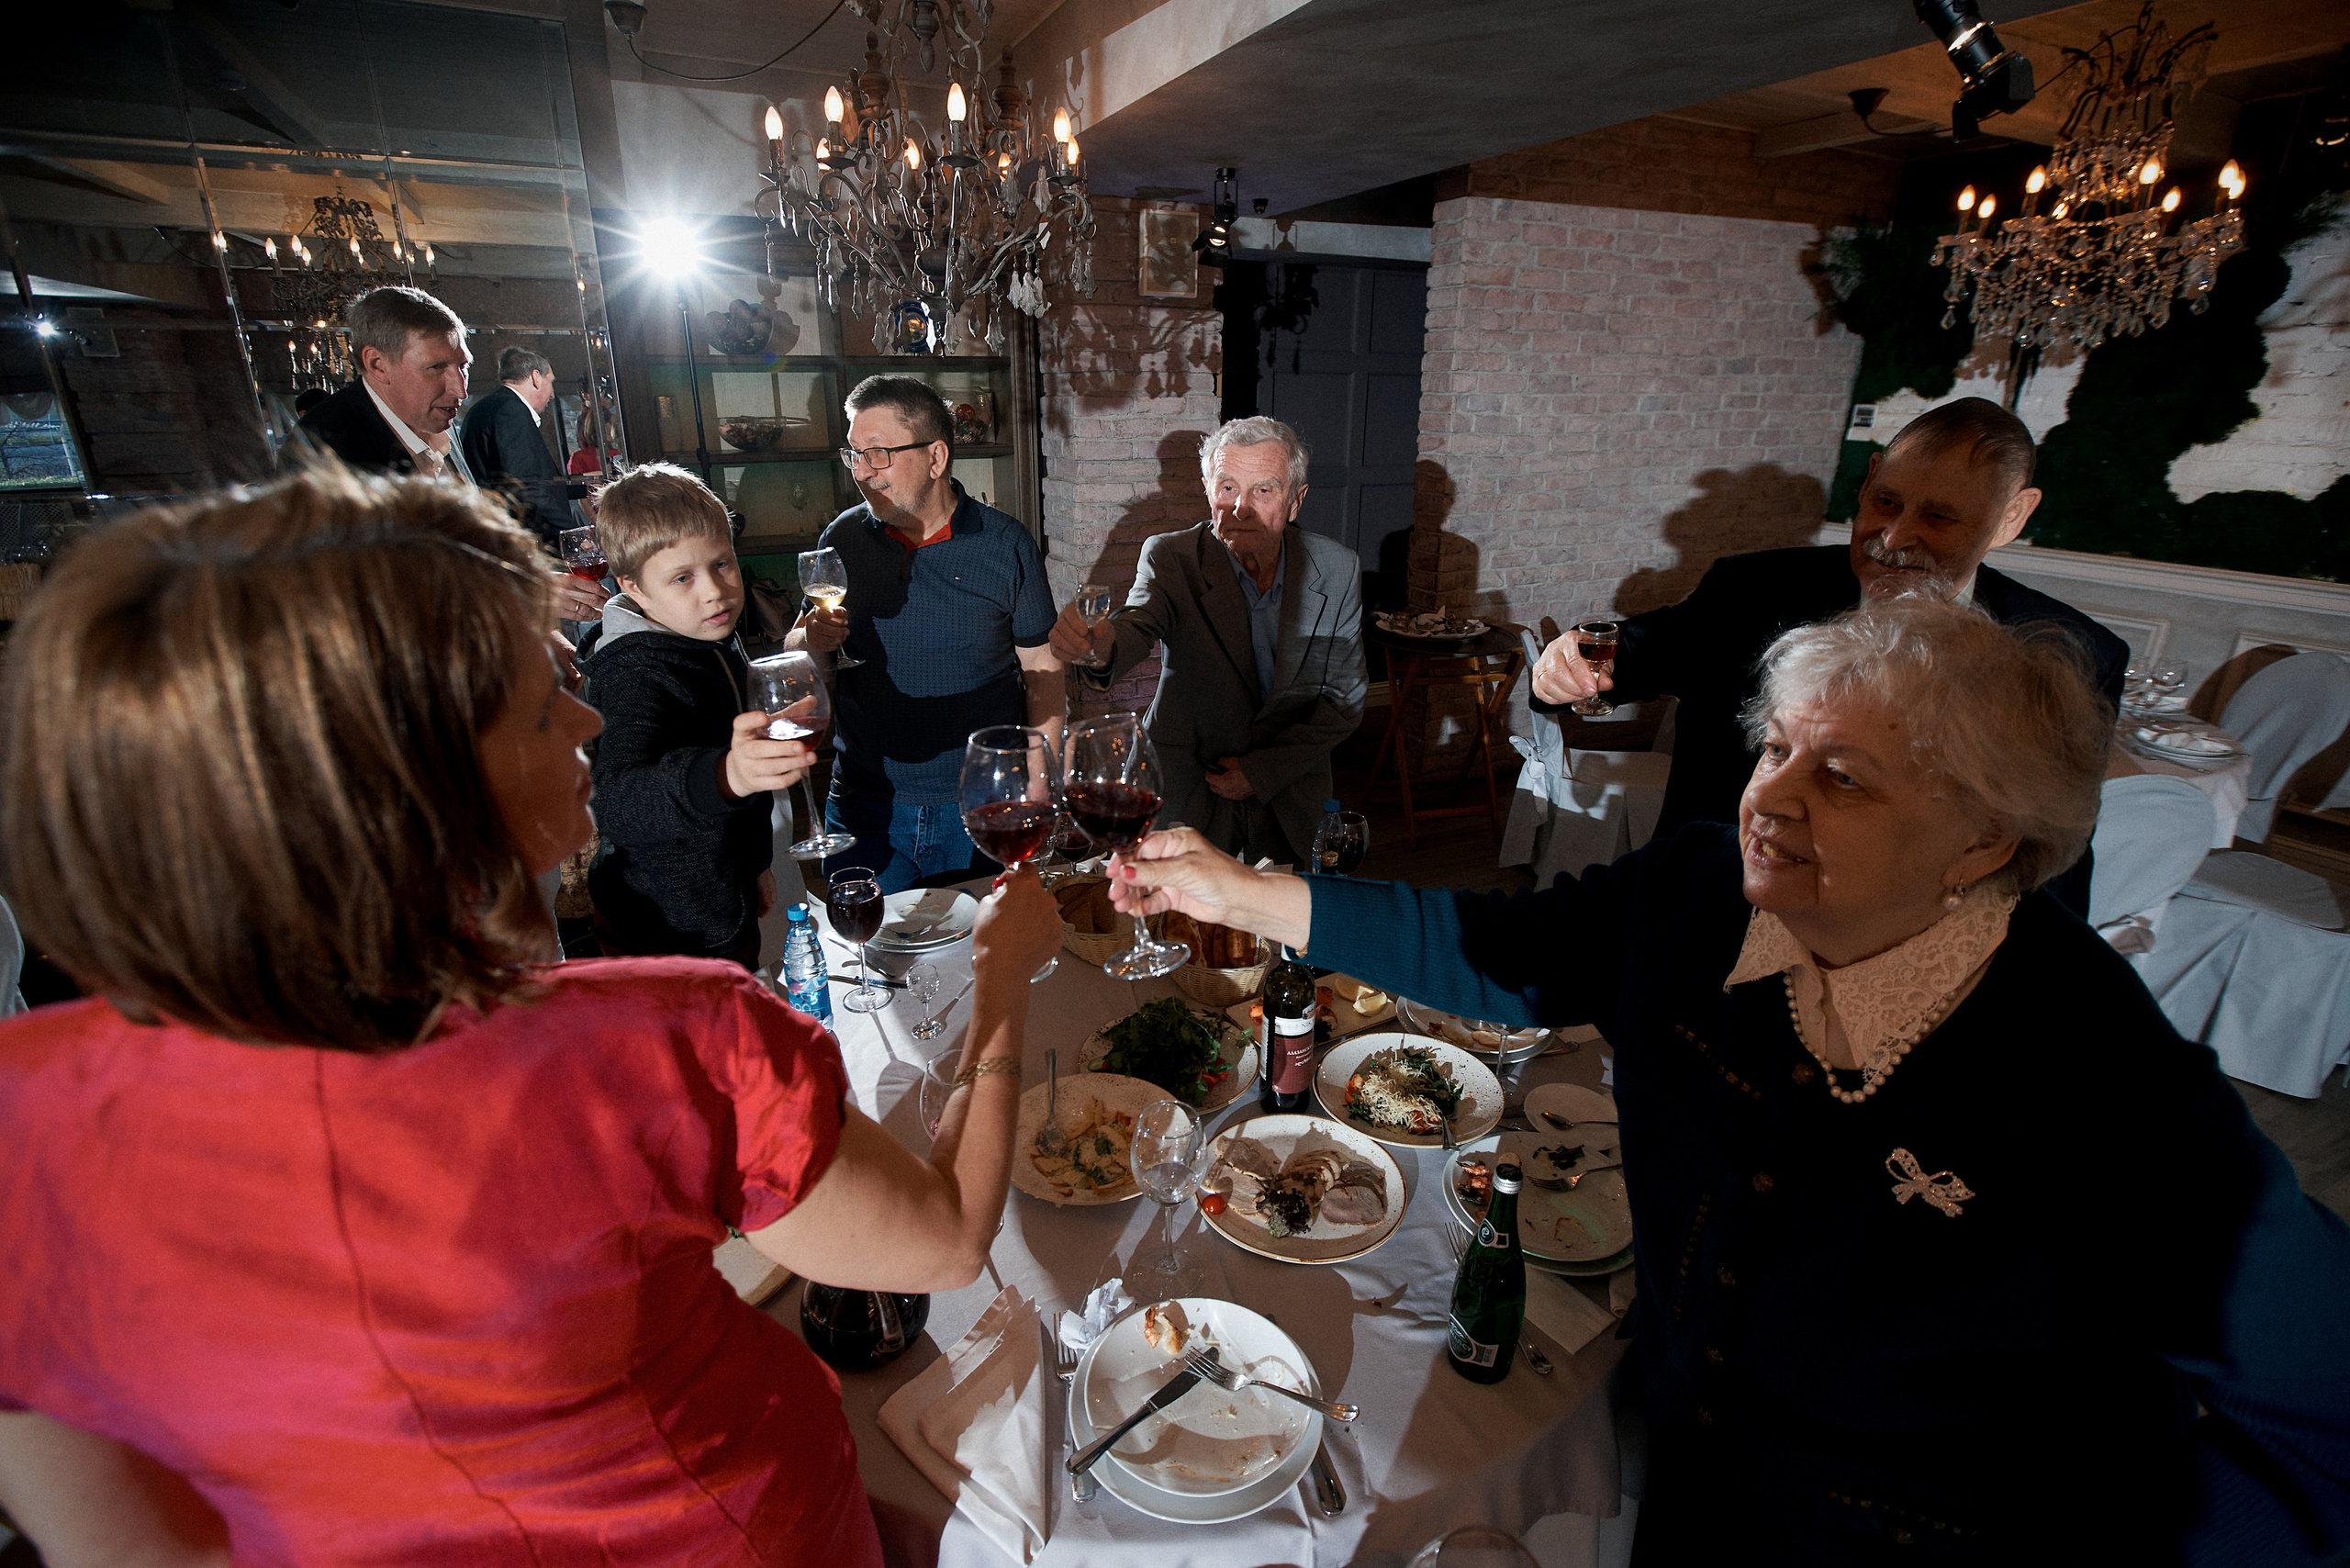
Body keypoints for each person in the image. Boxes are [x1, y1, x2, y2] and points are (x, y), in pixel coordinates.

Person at [1110, 597, 2350, 1566]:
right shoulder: (1701, 894)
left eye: (1842, 778)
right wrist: (1240, 892)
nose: (1771, 799)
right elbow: (1498, 949)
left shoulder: (2101, 1081)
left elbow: (2326, 1418)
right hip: (1703, 1498)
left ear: (1983, 839)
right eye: (1777, 749)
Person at [0, 465, 1061, 1564]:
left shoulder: (24, 1109)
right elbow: (943, 1241)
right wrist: (998, 983)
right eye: (547, 697)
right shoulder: (671, 1038)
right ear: (410, 786)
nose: (587, 717)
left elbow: (124, 1538)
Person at [1534, 396, 2128, 846]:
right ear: (1868, 479)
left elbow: (2055, 841)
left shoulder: (2070, 654)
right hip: (1720, 900)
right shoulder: (1752, 588)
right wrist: (1569, 662)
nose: (1893, 537)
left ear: (2012, 517)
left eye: (1940, 517)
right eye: (1886, 502)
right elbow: (1644, 651)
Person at [1048, 416, 1367, 866]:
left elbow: (1344, 699)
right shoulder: (1171, 557)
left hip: (1289, 790)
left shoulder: (1336, 568)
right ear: (1207, 489)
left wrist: (1260, 772)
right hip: (1188, 787)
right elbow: (1136, 625)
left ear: (1296, 501)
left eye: (1263, 490)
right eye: (1228, 487)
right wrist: (1095, 645)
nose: (1240, 509)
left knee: (1277, 906)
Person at [789, 375, 1061, 891]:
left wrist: (1040, 779)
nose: (862, 472)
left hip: (983, 801)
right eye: (854, 455)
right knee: (870, 941)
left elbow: (1043, 670)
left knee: (986, 941)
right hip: (867, 804)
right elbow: (798, 652)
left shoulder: (1005, 543)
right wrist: (813, 640)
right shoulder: (842, 537)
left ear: (936, 458)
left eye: (878, 454)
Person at [581, 463, 780, 969]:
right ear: (634, 587)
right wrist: (726, 776)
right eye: (682, 578)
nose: (713, 590)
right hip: (662, 933)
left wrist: (753, 865)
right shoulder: (635, 674)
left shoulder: (702, 636)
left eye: (722, 564)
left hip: (719, 903)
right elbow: (617, 802)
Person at [296, 286, 476, 484]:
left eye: (463, 366)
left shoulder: (437, 415)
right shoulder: (315, 448)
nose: (460, 391)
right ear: (377, 365)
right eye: (436, 368)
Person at [458, 344, 577, 547]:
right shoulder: (511, 411)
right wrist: (572, 533)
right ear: (536, 377)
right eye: (551, 382)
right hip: (525, 540)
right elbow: (526, 487)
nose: (552, 395)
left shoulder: (486, 407)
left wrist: (584, 489)